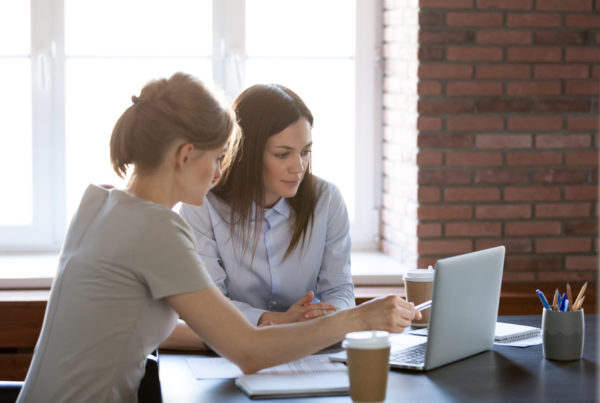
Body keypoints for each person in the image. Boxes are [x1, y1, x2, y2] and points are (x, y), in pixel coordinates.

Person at [17, 72, 420, 403]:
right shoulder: (157, 229)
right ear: (185, 155)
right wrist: (361, 317)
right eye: (218, 158)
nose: (219, 174)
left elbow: (132, 328)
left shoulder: (100, 203)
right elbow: (247, 351)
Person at [178, 83, 354, 329]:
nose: (299, 167)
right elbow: (208, 303)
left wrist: (327, 317)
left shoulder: (327, 200)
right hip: (229, 346)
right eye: (283, 154)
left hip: (310, 344)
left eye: (305, 152)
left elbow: (340, 289)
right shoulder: (202, 204)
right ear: (247, 152)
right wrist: (277, 321)